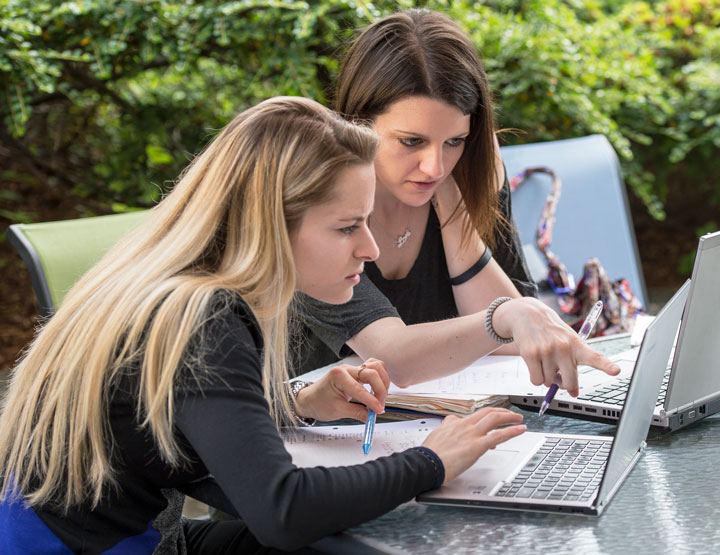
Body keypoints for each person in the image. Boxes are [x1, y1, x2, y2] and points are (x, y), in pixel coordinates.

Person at [0, 97, 526, 554]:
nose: (368, 248)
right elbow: (284, 511)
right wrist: (431, 460)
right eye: (347, 227)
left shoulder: (174, 281)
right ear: (270, 223)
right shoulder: (201, 320)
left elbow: (161, 411)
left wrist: (293, 403)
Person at [293, 9, 620, 394]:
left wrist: (453, 209)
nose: (434, 166)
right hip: (313, 439)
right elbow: (393, 358)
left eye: (454, 141)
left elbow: (520, 338)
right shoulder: (314, 200)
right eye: (411, 141)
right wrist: (505, 318)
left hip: (444, 425)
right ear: (358, 121)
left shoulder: (465, 176)